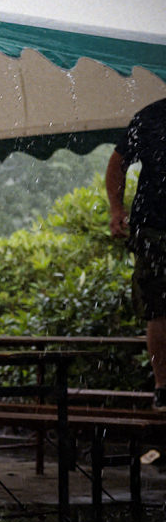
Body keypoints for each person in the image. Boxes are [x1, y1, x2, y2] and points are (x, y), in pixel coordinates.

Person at [107, 97, 166, 410]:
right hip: (154, 227)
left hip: (152, 225)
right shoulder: (152, 116)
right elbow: (118, 162)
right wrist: (116, 208)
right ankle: (163, 387)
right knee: (157, 307)